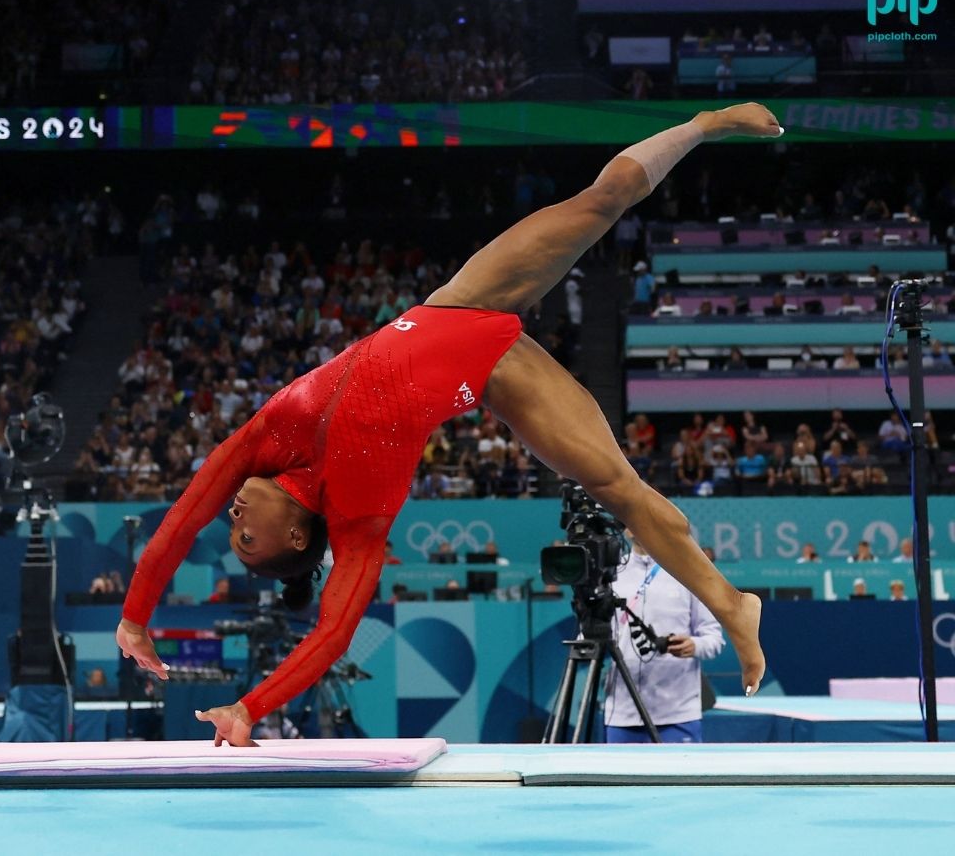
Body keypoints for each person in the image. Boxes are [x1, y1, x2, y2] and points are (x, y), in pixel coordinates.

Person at [117, 103, 778, 746]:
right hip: (495, 377)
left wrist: (135, 618)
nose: (231, 517)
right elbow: (332, 634)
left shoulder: (262, 443)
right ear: (295, 534)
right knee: (620, 490)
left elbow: (181, 517)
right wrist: (250, 708)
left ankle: (702, 125)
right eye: (246, 539)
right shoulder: (358, 523)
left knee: (599, 202)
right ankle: (730, 603)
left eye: (231, 529)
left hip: (459, 304)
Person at [604, 533, 724, 744]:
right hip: (622, 713)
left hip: (678, 713)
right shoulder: (611, 574)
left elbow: (714, 638)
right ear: (625, 528)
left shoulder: (689, 573)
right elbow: (592, 634)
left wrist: (694, 645)